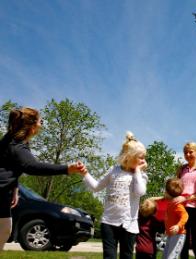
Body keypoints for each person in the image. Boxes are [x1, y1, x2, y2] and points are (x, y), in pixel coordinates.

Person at [0, 107, 86, 251]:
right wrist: (67, 169)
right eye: (41, 121)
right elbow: (32, 166)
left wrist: (14, 188)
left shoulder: (12, 140)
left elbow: (10, 166)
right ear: (32, 126)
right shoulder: (17, 145)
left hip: (3, 193)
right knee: (4, 229)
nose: (42, 124)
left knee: (5, 229)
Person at [80, 131, 148, 259]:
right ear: (129, 156)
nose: (143, 160)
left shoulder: (141, 175)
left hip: (129, 224)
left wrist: (138, 170)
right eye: (140, 157)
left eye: (144, 157)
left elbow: (140, 192)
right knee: (109, 256)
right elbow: (96, 187)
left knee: (126, 256)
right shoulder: (113, 171)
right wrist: (85, 174)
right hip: (109, 222)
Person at [175, 142, 196, 259]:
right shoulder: (182, 169)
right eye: (185, 152)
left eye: (190, 152)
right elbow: (177, 188)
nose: (188, 154)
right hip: (181, 208)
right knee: (183, 242)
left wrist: (186, 198)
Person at [163, 178, 189, 259]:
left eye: (165, 190)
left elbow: (185, 215)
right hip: (171, 234)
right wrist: (167, 229)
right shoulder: (170, 203)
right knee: (166, 256)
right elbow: (170, 218)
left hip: (178, 235)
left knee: (171, 257)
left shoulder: (177, 205)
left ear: (168, 193)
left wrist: (178, 226)